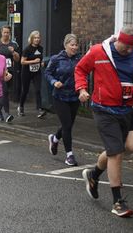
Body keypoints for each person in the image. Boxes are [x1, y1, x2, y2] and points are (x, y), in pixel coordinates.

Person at [75, 25, 133, 217]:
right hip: (104, 109)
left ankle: (94, 174)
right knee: (116, 153)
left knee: (130, 147)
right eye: (127, 47)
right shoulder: (99, 51)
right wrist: (82, 89)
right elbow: (80, 69)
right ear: (119, 40)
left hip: (129, 108)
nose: (129, 50)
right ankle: (117, 202)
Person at [45, 34, 81, 166]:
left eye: (76, 45)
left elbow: (83, 73)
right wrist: (54, 82)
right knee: (67, 126)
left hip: (75, 96)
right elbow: (47, 73)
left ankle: (54, 138)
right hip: (60, 96)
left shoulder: (79, 59)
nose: (75, 47)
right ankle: (69, 155)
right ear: (65, 45)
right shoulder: (56, 59)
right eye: (72, 45)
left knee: (69, 124)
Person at [17, 30, 46, 118]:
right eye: (35, 38)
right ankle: (21, 106)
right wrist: (34, 61)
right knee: (25, 91)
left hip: (36, 72)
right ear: (32, 39)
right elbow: (22, 62)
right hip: (26, 72)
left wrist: (41, 63)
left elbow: (40, 59)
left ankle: (39, 109)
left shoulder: (40, 48)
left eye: (38, 38)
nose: (37, 39)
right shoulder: (27, 49)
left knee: (38, 90)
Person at [0, 25, 20, 123]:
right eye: (4, 32)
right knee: (4, 92)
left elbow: (17, 59)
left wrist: (13, 52)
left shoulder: (13, 44)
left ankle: (0, 112)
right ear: (1, 33)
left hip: (10, 72)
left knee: (5, 93)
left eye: (8, 32)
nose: (6, 34)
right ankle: (6, 113)